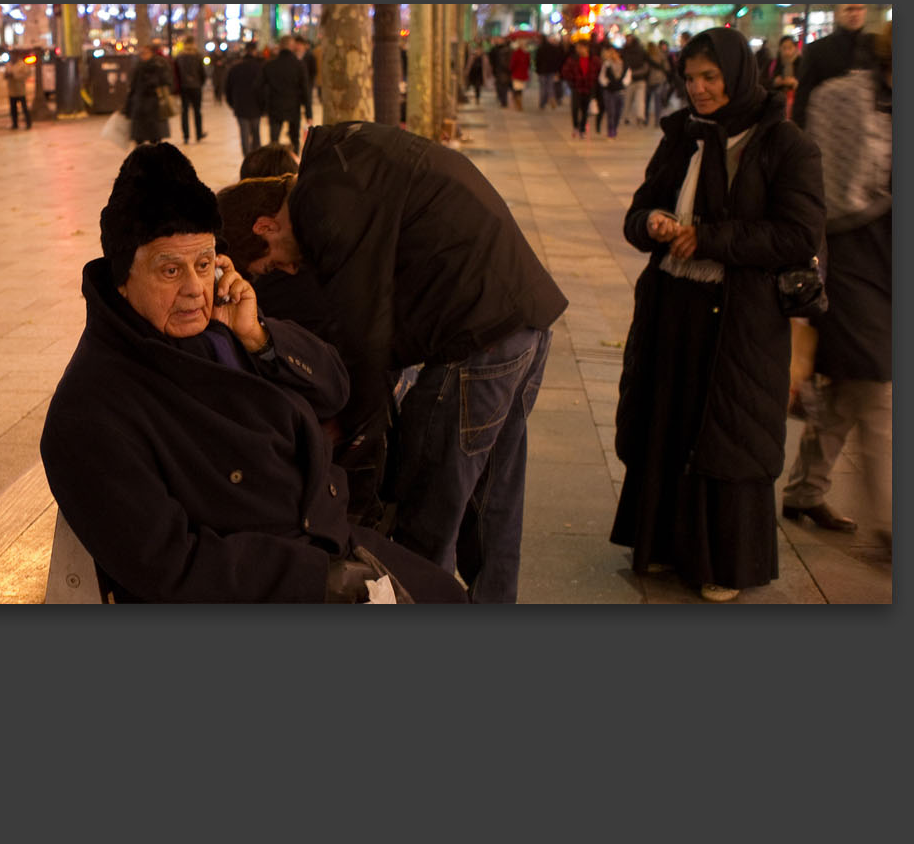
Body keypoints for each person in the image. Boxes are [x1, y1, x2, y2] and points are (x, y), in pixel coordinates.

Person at [39, 144, 469, 603]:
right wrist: (315, 580)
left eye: (204, 265)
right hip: (271, 584)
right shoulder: (90, 410)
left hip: (329, 539)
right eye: (170, 270)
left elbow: (334, 389)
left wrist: (260, 334)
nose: (192, 289)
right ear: (122, 278)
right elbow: (169, 563)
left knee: (448, 596)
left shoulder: (224, 329)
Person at [216, 122, 569, 603]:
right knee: (493, 502)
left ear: (265, 226)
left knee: (429, 512)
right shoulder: (341, 165)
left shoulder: (324, 204)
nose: (289, 270)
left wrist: (353, 426)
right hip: (522, 319)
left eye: (272, 264)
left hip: (478, 338)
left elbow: (365, 333)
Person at [609, 28, 825, 602]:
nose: (699, 89)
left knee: (728, 434)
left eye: (710, 78)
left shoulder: (784, 144)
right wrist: (652, 222)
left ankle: (722, 561)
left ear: (738, 75)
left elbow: (798, 235)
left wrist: (710, 239)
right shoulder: (682, 135)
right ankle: (661, 543)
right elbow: (638, 210)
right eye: (691, 78)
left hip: (741, 320)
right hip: (674, 307)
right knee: (668, 423)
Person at [781, 21, 892, 545]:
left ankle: (805, 490)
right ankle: (890, 525)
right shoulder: (843, 99)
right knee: (874, 390)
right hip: (851, 258)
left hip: (884, 259)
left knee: (851, 391)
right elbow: (835, 191)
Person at [793, 4, 869, 128]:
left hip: (865, 133)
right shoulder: (817, 50)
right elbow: (803, 98)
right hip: (828, 130)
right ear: (838, 13)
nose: (855, 14)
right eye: (849, 9)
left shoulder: (875, 48)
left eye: (859, 9)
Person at [262, 35, 312, 154]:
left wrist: (264, 108)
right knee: (295, 139)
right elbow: (305, 90)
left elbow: (260, 87)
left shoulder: (270, 65)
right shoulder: (299, 65)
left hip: (275, 107)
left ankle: (274, 165)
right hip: (293, 106)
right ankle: (295, 165)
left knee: (274, 140)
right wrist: (309, 113)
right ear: (292, 46)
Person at [123, 42, 172, 146]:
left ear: (152, 53)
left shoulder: (158, 65)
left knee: (154, 136)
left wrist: (153, 82)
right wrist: (128, 105)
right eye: (141, 53)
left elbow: (166, 81)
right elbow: (132, 86)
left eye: (145, 53)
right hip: (139, 105)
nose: (143, 55)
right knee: (138, 137)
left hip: (153, 103)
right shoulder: (138, 67)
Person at [224, 42, 267, 155]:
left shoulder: (235, 68)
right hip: (256, 106)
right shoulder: (259, 68)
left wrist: (233, 104)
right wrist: (264, 106)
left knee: (244, 134)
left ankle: (247, 158)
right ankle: (257, 157)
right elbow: (264, 89)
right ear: (254, 51)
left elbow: (228, 89)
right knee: (256, 133)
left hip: (240, 106)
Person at [562, 40, 597, 138]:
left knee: (585, 109)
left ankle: (582, 129)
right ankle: (575, 127)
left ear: (586, 48)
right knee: (575, 108)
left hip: (588, 87)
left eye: (580, 47)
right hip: (576, 87)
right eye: (578, 47)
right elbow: (566, 71)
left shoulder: (593, 60)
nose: (579, 49)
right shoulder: (573, 59)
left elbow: (597, 72)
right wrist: (571, 81)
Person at [173, 42, 206, 142]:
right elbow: (202, 73)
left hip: (184, 87)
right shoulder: (197, 57)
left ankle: (186, 136)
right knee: (197, 111)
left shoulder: (179, 58)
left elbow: (176, 74)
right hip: (196, 87)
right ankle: (199, 134)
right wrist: (200, 83)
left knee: (184, 112)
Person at [598, 42, 629, 139]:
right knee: (610, 112)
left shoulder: (624, 65)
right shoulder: (607, 65)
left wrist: (622, 84)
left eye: (615, 53)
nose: (613, 55)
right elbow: (602, 77)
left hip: (620, 91)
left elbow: (628, 77)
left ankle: (615, 127)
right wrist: (608, 83)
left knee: (618, 112)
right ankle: (610, 130)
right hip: (609, 91)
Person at [766, 35, 801, 119]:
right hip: (777, 107)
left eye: (790, 48)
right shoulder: (773, 64)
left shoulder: (802, 63)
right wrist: (775, 82)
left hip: (796, 107)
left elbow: (808, 84)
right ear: (780, 49)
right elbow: (762, 82)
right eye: (784, 48)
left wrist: (796, 83)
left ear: (795, 48)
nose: (787, 51)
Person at [621, 37, 650, 131]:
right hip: (637, 78)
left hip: (634, 78)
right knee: (636, 100)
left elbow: (624, 64)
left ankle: (631, 117)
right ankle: (637, 117)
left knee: (631, 99)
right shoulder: (640, 50)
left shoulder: (625, 51)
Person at [535, 33, 567, 110]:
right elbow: (556, 60)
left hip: (542, 71)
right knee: (550, 86)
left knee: (543, 87)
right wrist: (556, 70)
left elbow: (537, 60)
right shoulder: (553, 48)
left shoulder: (540, 48)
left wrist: (537, 70)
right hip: (551, 70)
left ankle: (543, 103)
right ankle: (551, 98)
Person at [4, 55, 32, 129]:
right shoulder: (8, 64)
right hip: (12, 90)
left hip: (20, 90)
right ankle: (15, 124)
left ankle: (28, 123)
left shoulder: (22, 64)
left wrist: (15, 76)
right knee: (13, 109)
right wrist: (7, 75)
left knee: (24, 108)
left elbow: (27, 74)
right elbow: (5, 74)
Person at [508, 38, 531, 111]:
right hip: (522, 73)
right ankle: (519, 102)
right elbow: (528, 64)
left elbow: (512, 64)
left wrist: (511, 70)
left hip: (517, 73)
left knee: (517, 89)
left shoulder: (516, 53)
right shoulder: (526, 53)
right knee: (520, 89)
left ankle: (518, 102)